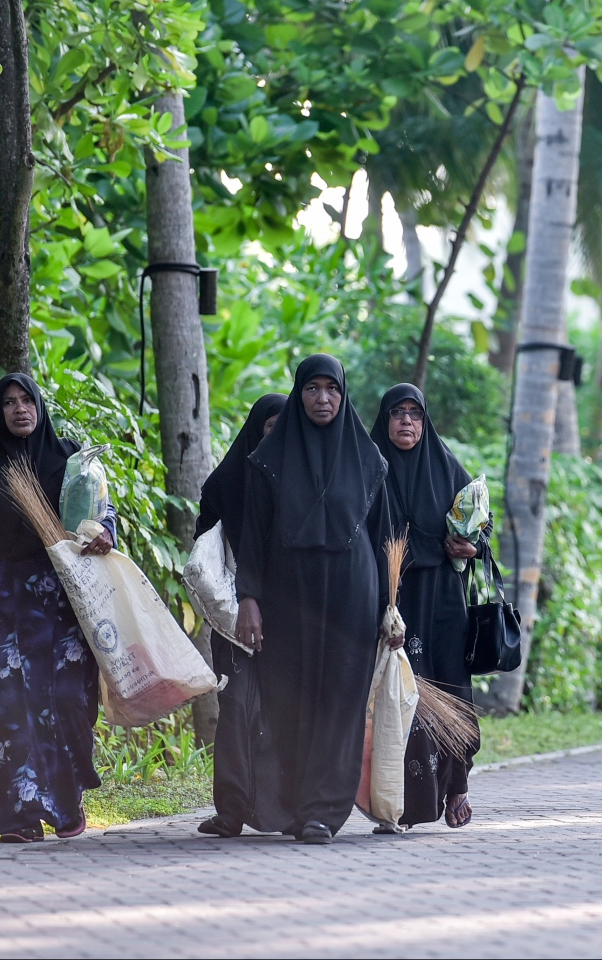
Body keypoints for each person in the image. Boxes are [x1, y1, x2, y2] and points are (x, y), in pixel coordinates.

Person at [0, 374, 116, 843]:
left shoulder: (70, 460)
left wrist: (104, 534)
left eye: (26, 400)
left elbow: (102, 510)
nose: (19, 409)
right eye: (8, 403)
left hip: (61, 602)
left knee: (67, 701)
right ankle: (18, 817)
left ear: (39, 406)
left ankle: (67, 800)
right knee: (8, 708)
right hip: (1, 606)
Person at [234, 356, 392, 844]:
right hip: (286, 595)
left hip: (352, 597)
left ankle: (323, 811)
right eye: (312, 389)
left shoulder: (369, 461)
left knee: (340, 701)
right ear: (298, 393)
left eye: (332, 390)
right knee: (287, 698)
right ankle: (291, 806)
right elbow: (252, 535)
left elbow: (386, 538)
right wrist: (249, 598)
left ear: (344, 396)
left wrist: (391, 606)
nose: (323, 399)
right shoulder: (268, 462)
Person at [369, 383, 482, 829]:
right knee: (400, 698)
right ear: (385, 419)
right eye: (398, 414)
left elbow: (478, 526)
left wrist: (469, 545)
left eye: (415, 414)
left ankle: (457, 786)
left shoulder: (446, 466)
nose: (407, 423)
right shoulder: (369, 465)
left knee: (451, 691)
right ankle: (402, 804)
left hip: (443, 603)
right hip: (393, 599)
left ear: (425, 421)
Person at [194, 394, 288, 839]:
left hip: (291, 620)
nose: (278, 437)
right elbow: (206, 550)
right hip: (236, 617)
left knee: (283, 712)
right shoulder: (226, 484)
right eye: (271, 428)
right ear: (256, 430)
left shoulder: (302, 482)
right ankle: (231, 810)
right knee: (236, 710)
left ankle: (279, 810)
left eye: (286, 428)